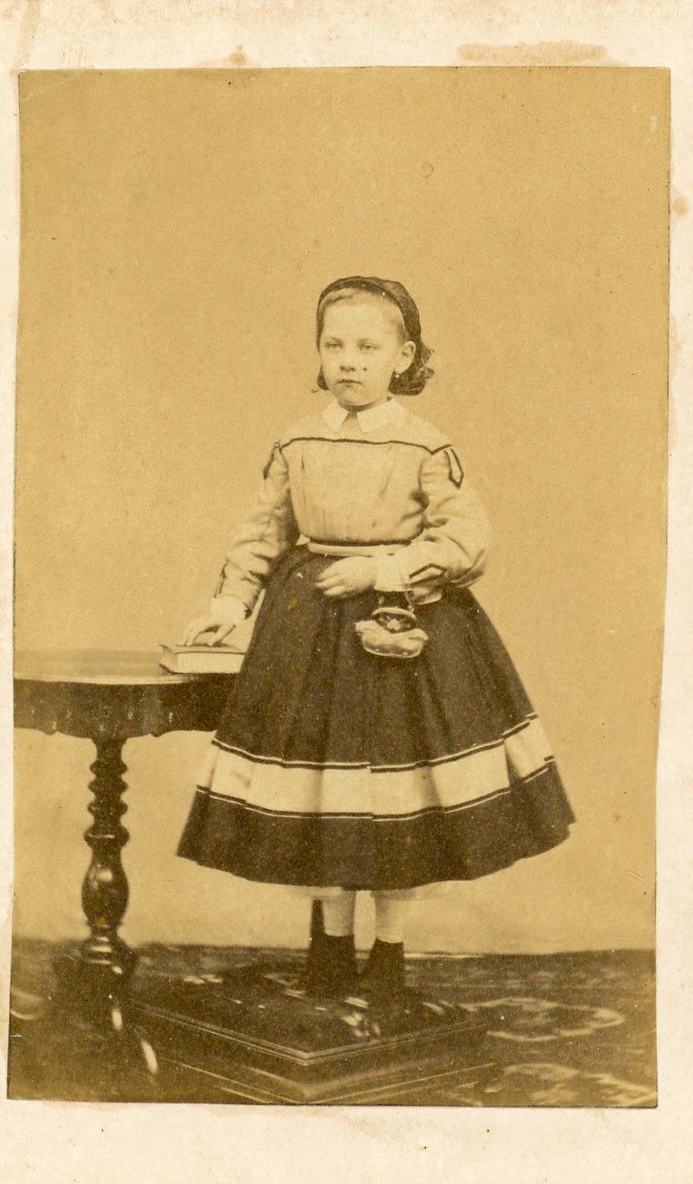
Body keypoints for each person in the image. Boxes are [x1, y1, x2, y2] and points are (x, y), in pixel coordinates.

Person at [178, 275, 574, 1004]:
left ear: (404, 357)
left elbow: (466, 541)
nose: (350, 360)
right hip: (305, 635)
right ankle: (329, 948)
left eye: (368, 346)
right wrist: (229, 605)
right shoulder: (296, 441)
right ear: (318, 353)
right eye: (334, 345)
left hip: (401, 632)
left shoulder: (425, 445)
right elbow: (263, 532)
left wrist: (381, 569)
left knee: (397, 802)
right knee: (322, 796)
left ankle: (388, 954)